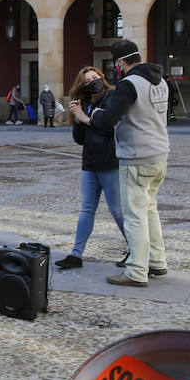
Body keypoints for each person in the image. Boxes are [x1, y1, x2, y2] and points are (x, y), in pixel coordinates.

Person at [89, 38, 170, 288]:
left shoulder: (129, 84)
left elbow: (108, 119)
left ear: (121, 62)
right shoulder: (160, 81)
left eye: (117, 63)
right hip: (159, 154)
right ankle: (156, 260)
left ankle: (136, 271)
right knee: (149, 209)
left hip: (136, 157)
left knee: (134, 216)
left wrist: (93, 113)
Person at [57, 67, 127, 270]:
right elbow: (79, 139)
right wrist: (77, 117)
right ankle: (76, 255)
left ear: (102, 78)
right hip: (89, 164)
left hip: (109, 162)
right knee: (87, 209)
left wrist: (86, 118)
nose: (93, 82)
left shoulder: (111, 98)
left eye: (95, 78)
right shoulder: (85, 103)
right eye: (88, 80)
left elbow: (107, 127)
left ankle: (136, 249)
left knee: (117, 210)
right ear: (83, 85)